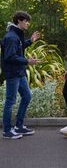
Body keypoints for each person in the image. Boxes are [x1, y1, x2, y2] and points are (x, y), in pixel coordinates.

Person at [1, 11, 40, 139]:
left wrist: (30, 41)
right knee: (10, 101)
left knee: (27, 96)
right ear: (19, 21)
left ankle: (18, 126)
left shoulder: (16, 35)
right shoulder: (12, 37)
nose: (28, 24)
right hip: (13, 73)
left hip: (19, 72)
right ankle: (7, 130)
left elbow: (19, 47)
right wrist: (27, 61)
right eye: (26, 21)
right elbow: (10, 56)